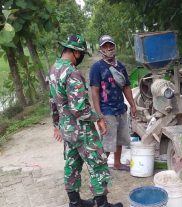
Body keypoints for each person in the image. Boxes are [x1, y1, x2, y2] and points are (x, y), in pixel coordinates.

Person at [48, 34, 122, 207]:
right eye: (80, 53)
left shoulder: (54, 69)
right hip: (81, 129)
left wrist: (56, 125)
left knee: (72, 163)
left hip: (67, 129)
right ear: (74, 52)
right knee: (98, 163)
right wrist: (98, 118)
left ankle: (74, 202)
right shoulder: (71, 72)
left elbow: (52, 101)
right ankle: (102, 203)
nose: (80, 57)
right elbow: (79, 109)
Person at [90, 35, 136, 171]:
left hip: (120, 108)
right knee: (108, 141)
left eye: (111, 45)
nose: (109, 48)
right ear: (101, 49)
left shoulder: (120, 66)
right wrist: (99, 115)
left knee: (120, 138)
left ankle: (117, 163)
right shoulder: (96, 68)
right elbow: (94, 91)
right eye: (105, 46)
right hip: (106, 110)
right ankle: (101, 168)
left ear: (115, 47)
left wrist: (133, 105)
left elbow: (126, 87)